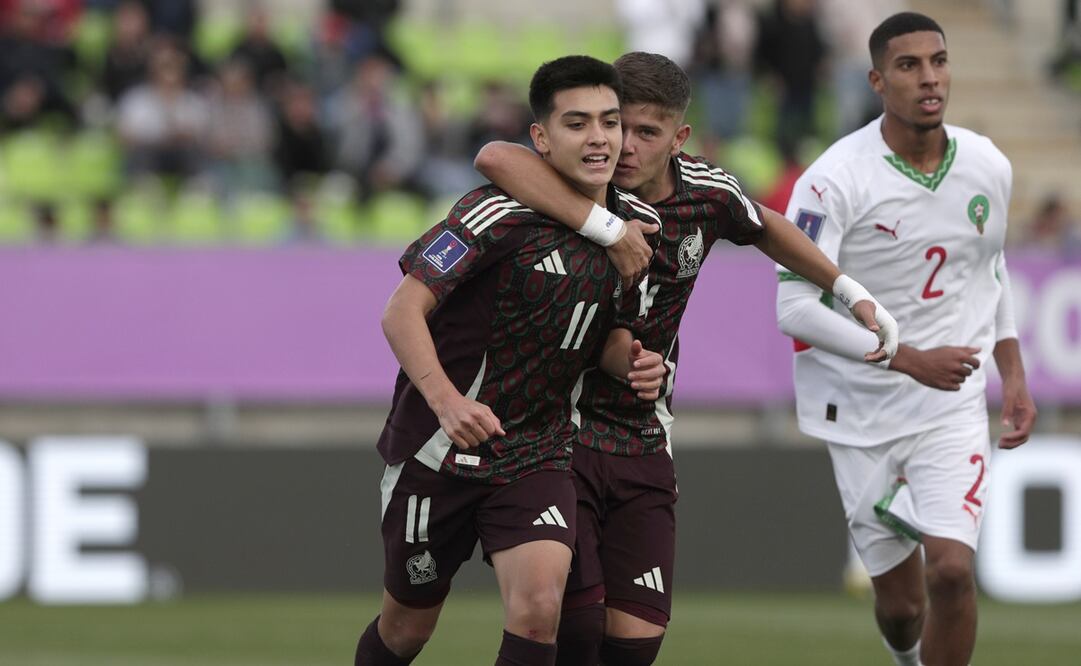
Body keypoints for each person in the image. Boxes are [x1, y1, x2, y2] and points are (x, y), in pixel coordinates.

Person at [475, 51, 897, 666]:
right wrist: (602, 226)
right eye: (619, 125)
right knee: (573, 628)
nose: (623, 146)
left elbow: (765, 225)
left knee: (635, 644)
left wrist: (849, 290)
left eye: (646, 132)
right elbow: (494, 156)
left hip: (643, 434)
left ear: (680, 138)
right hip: (556, 433)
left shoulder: (707, 194)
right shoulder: (576, 184)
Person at [354, 55, 669, 666]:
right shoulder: (494, 214)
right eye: (577, 124)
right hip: (438, 451)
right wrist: (447, 402)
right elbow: (401, 312)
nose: (600, 137)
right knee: (406, 632)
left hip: (537, 450)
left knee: (538, 608)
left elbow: (606, 334)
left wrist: (631, 360)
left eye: (610, 121)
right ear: (543, 139)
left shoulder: (639, 229)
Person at [775, 13, 1037, 666]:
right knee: (900, 608)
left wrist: (1014, 376)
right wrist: (904, 358)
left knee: (949, 570)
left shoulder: (987, 164)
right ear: (875, 80)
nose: (928, 78)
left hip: (949, 402)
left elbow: (989, 272)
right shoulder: (834, 179)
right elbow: (793, 309)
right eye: (908, 65)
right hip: (859, 406)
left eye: (937, 61)